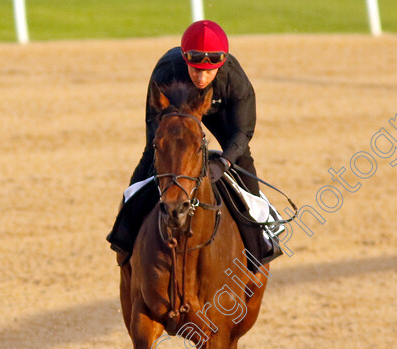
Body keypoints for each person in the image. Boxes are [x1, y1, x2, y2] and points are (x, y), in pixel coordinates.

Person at [107, 20, 281, 267]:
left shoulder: (234, 78)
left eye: (209, 71)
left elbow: (242, 132)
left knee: (242, 158)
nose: (201, 77)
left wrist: (223, 163)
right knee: (151, 154)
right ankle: (125, 237)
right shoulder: (166, 73)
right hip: (174, 111)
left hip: (219, 110)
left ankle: (259, 243)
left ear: (221, 64)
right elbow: (155, 127)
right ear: (185, 59)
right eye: (195, 69)